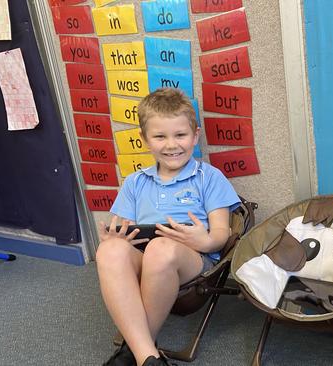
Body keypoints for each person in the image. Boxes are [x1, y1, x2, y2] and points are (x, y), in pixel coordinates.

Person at [96, 88, 240, 366]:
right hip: (145, 258)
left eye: (180, 135)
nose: (171, 145)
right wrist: (113, 238)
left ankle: (130, 352)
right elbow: (126, 230)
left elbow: (222, 235)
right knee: (110, 250)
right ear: (145, 140)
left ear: (195, 135)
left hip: (192, 261)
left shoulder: (209, 177)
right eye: (160, 136)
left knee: (161, 248)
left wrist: (204, 240)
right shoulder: (136, 182)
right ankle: (147, 357)